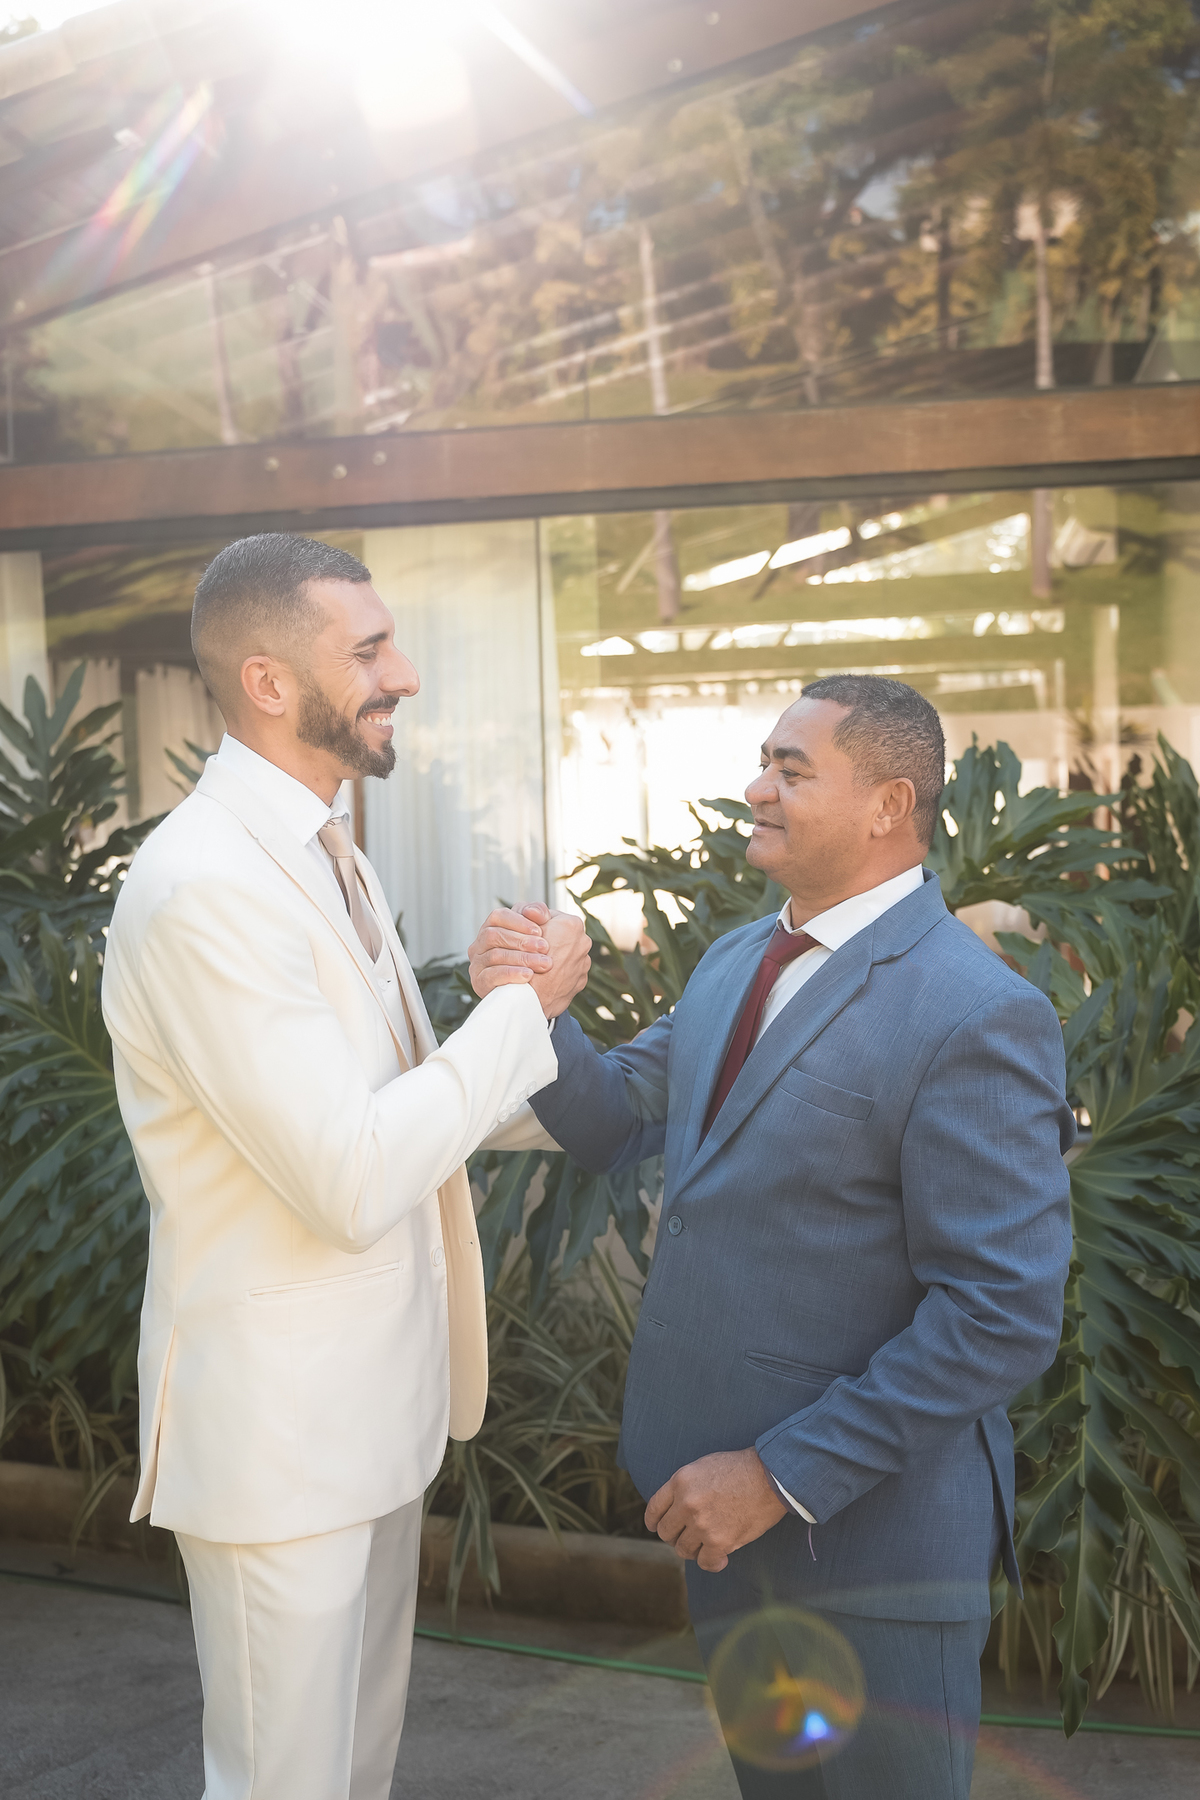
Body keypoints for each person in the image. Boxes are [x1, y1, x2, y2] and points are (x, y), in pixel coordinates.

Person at [468, 675, 1073, 1800]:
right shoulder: (735, 962)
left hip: (870, 1557)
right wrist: (533, 1008)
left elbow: (1001, 1316)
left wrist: (779, 1478)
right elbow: (612, 1120)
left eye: (792, 771)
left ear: (890, 805)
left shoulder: (977, 1012)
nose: (757, 789)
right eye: (764, 763)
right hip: (724, 1537)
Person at [101, 533, 589, 1800]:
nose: (405, 674)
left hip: (373, 1422)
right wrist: (520, 1012)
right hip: (283, 1449)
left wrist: (630, 1091)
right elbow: (353, 1176)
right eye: (369, 651)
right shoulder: (205, 885)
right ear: (269, 682)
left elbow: (393, 1102)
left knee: (352, 1779)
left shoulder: (326, 845)